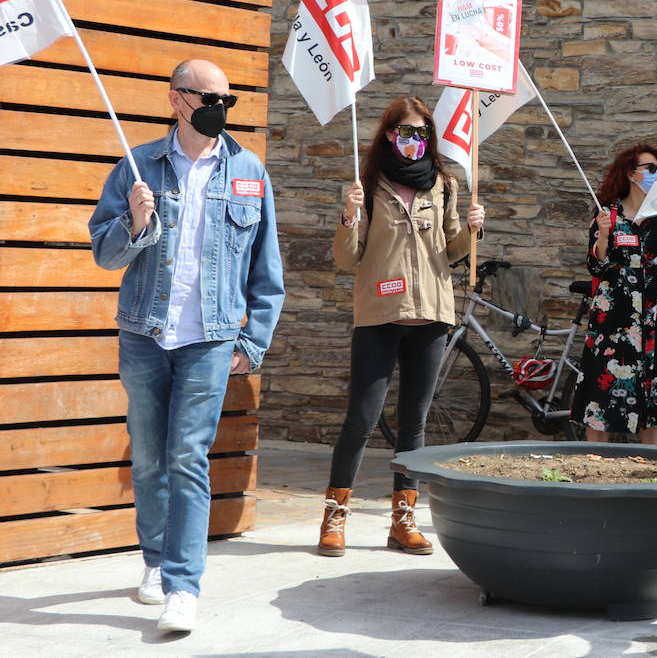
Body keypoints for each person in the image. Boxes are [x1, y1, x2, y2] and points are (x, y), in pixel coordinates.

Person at [89, 59, 284, 633]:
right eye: (209, 97)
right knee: (148, 458)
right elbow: (105, 254)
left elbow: (266, 269)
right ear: (177, 99)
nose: (220, 108)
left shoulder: (249, 170)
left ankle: (182, 584)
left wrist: (255, 339)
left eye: (229, 98)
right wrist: (133, 221)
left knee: (187, 458)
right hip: (145, 334)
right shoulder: (137, 166)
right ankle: (153, 561)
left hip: (211, 338)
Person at [320, 96, 485, 559]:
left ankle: (403, 521)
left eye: (422, 133)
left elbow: (451, 252)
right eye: (406, 132)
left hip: (430, 315)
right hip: (379, 315)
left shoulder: (443, 185)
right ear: (390, 135)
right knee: (362, 419)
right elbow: (347, 258)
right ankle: (334, 518)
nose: (415, 141)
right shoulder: (369, 183)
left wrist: (472, 230)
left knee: (414, 423)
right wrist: (349, 216)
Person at [570, 143, 657, 442]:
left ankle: (651, 465)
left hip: (654, 312)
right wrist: (603, 235)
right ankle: (596, 466)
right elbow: (595, 265)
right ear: (631, 173)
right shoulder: (608, 215)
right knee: (601, 389)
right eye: (651, 169)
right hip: (613, 315)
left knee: (654, 386)